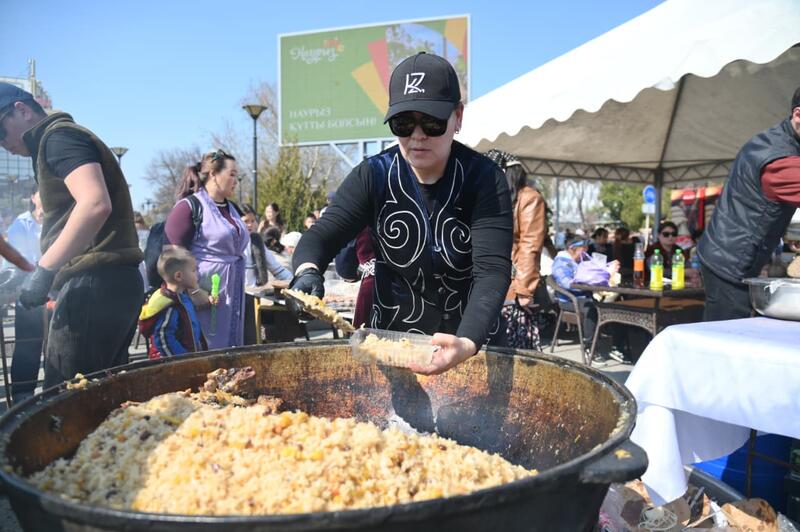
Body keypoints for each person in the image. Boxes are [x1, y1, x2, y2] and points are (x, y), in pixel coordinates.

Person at [291, 52, 512, 375]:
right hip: (394, 347)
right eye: (404, 123)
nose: (417, 135)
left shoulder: (485, 178)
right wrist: (307, 271)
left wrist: (465, 342)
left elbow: (492, 270)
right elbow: (323, 234)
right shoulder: (373, 174)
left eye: (433, 122)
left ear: (458, 118)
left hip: (473, 346)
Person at [0, 82, 144, 387]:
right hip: (108, 282)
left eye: (0, 131)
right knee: (102, 397)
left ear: (22, 110)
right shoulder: (58, 138)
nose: (1, 143)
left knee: (65, 398)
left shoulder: (58, 137)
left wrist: (44, 270)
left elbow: (94, 204)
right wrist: (32, 274)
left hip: (95, 283)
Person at [698, 87, 800, 321]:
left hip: (725, 252)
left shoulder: (777, 140)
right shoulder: (778, 159)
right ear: (798, 115)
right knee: (726, 334)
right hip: (730, 261)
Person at [165, 149, 249, 349]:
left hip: (233, 294)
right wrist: (194, 291)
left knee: (232, 351)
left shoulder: (233, 208)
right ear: (213, 174)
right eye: (232, 174)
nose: (236, 181)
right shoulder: (189, 207)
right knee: (206, 350)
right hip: (203, 295)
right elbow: (173, 255)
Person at [501, 160, 546, 350]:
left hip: (514, 286)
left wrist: (524, 290)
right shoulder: (501, 198)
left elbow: (530, 244)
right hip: (494, 286)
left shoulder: (528, 198)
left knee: (516, 354)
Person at [4, 190, 44, 401]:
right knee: (27, 342)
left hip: (55, 288)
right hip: (28, 288)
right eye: (41, 192)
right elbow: (14, 260)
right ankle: (22, 392)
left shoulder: (59, 219)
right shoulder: (21, 224)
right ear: (33, 197)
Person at [138, 247, 208, 359]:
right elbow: (163, 338)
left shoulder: (182, 297)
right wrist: (181, 360)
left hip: (188, 357)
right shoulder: (170, 305)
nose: (197, 274)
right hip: (170, 364)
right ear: (178, 276)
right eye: (194, 270)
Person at [239, 204, 292, 344]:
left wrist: (296, 282)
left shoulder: (257, 242)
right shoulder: (231, 243)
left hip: (253, 299)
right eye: (246, 221)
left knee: (250, 341)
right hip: (234, 298)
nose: (250, 225)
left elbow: (277, 269)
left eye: (252, 221)